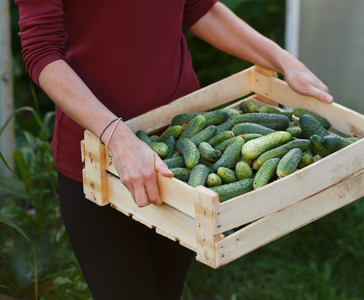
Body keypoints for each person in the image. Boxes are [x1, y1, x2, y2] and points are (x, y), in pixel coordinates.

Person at [16, 0, 333, 299]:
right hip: (101, 158)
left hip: (181, 146)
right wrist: (117, 135)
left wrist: (284, 61)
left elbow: (199, 8)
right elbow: (41, 51)